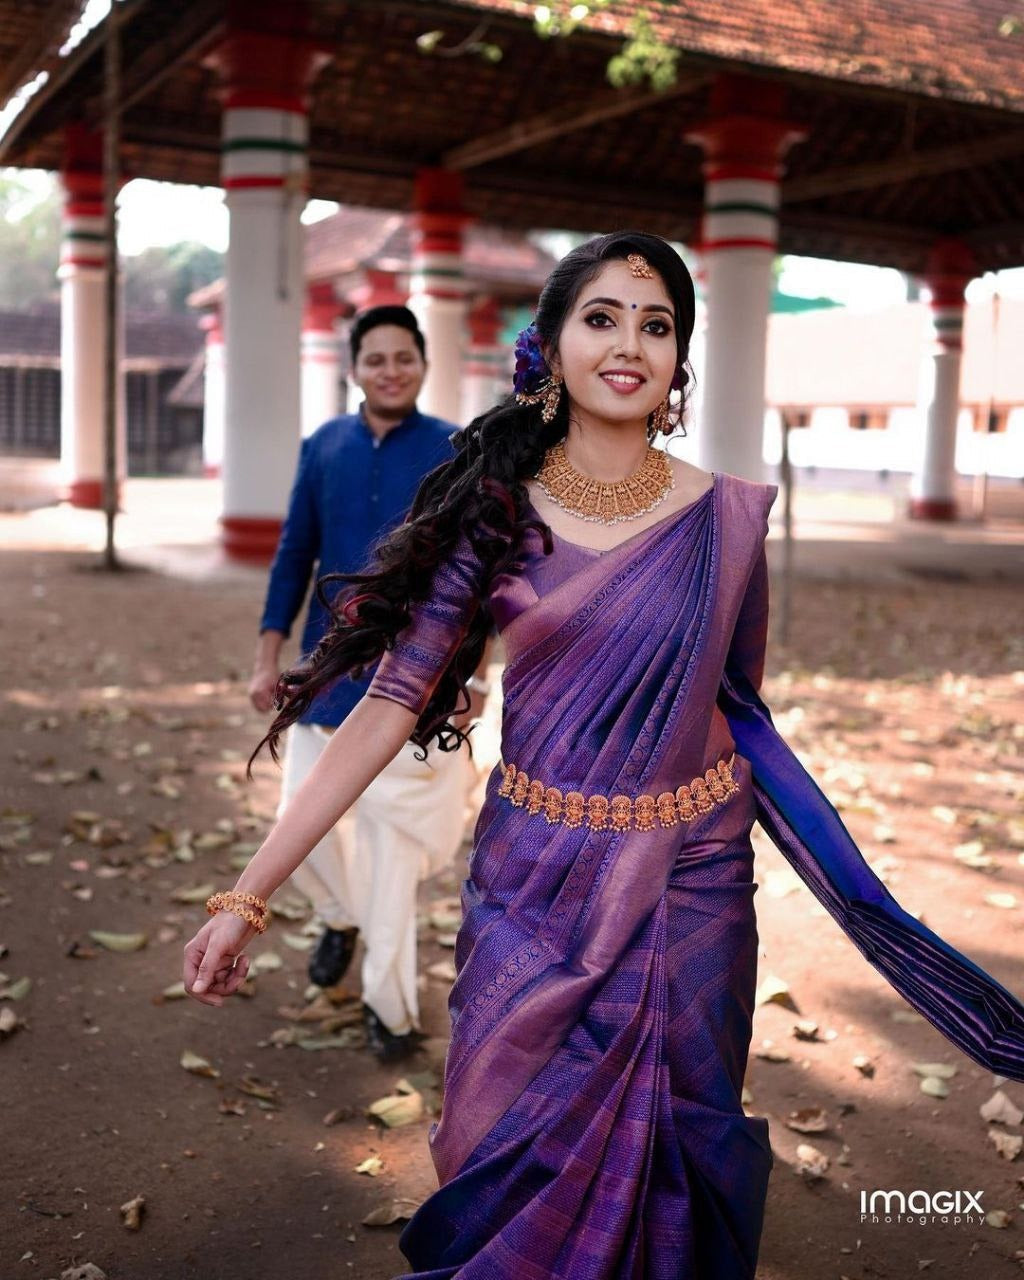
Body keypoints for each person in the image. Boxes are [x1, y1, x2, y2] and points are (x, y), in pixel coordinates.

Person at [186, 232, 1024, 1278]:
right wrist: (248, 892)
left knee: (683, 1134)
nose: (629, 342)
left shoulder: (725, 517)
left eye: (657, 322)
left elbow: (734, 700)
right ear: (548, 344)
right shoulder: (495, 516)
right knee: (513, 1140)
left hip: (692, 885)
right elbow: (388, 702)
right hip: (533, 883)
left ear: (679, 359)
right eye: (602, 316)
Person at [247, 304, 485, 1063]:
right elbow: (294, 555)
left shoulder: (454, 450)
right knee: (300, 828)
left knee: (389, 858)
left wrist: (470, 674)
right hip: (328, 671)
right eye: (375, 358)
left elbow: (480, 572)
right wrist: (267, 655)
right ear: (354, 368)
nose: (390, 370)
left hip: (415, 681)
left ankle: (390, 1005)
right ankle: (336, 916)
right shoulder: (323, 447)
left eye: (403, 357)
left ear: (421, 362)